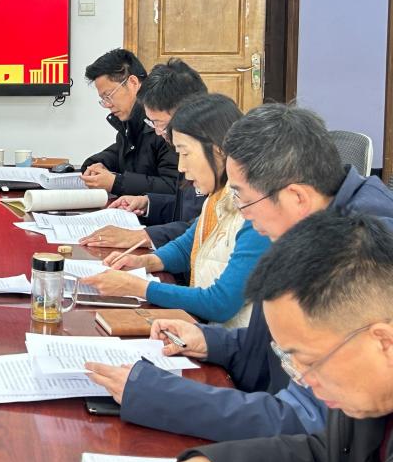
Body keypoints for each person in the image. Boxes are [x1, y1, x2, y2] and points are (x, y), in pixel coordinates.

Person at [86, 104, 393, 443]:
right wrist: (210, 341)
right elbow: (275, 346)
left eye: (242, 199)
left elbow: (309, 420)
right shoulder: (308, 219)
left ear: (295, 197)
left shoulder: (359, 249)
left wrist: (159, 396)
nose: (243, 217)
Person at [89, 213, 393, 462]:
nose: (302, 379)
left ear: (384, 342)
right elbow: (324, 458)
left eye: (310, 361)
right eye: (288, 358)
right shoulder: (363, 387)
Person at [81, 94, 269, 326]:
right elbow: (187, 246)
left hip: (229, 341)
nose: (181, 166)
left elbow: (220, 303)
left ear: (219, 149)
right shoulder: (218, 197)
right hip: (208, 333)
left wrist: (140, 288)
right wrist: (146, 262)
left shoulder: (255, 211)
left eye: (185, 153)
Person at [80, 58, 207, 250]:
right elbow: (187, 206)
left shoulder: (205, 153)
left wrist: (143, 236)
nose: (158, 131)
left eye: (109, 95)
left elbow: (202, 228)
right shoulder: (138, 124)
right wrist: (148, 203)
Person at [80, 49, 178, 196]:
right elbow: (123, 153)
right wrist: (95, 164)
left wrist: (116, 183)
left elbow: (174, 187)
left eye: (108, 96)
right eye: (103, 99)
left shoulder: (163, 124)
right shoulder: (130, 124)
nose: (107, 105)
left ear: (133, 83)